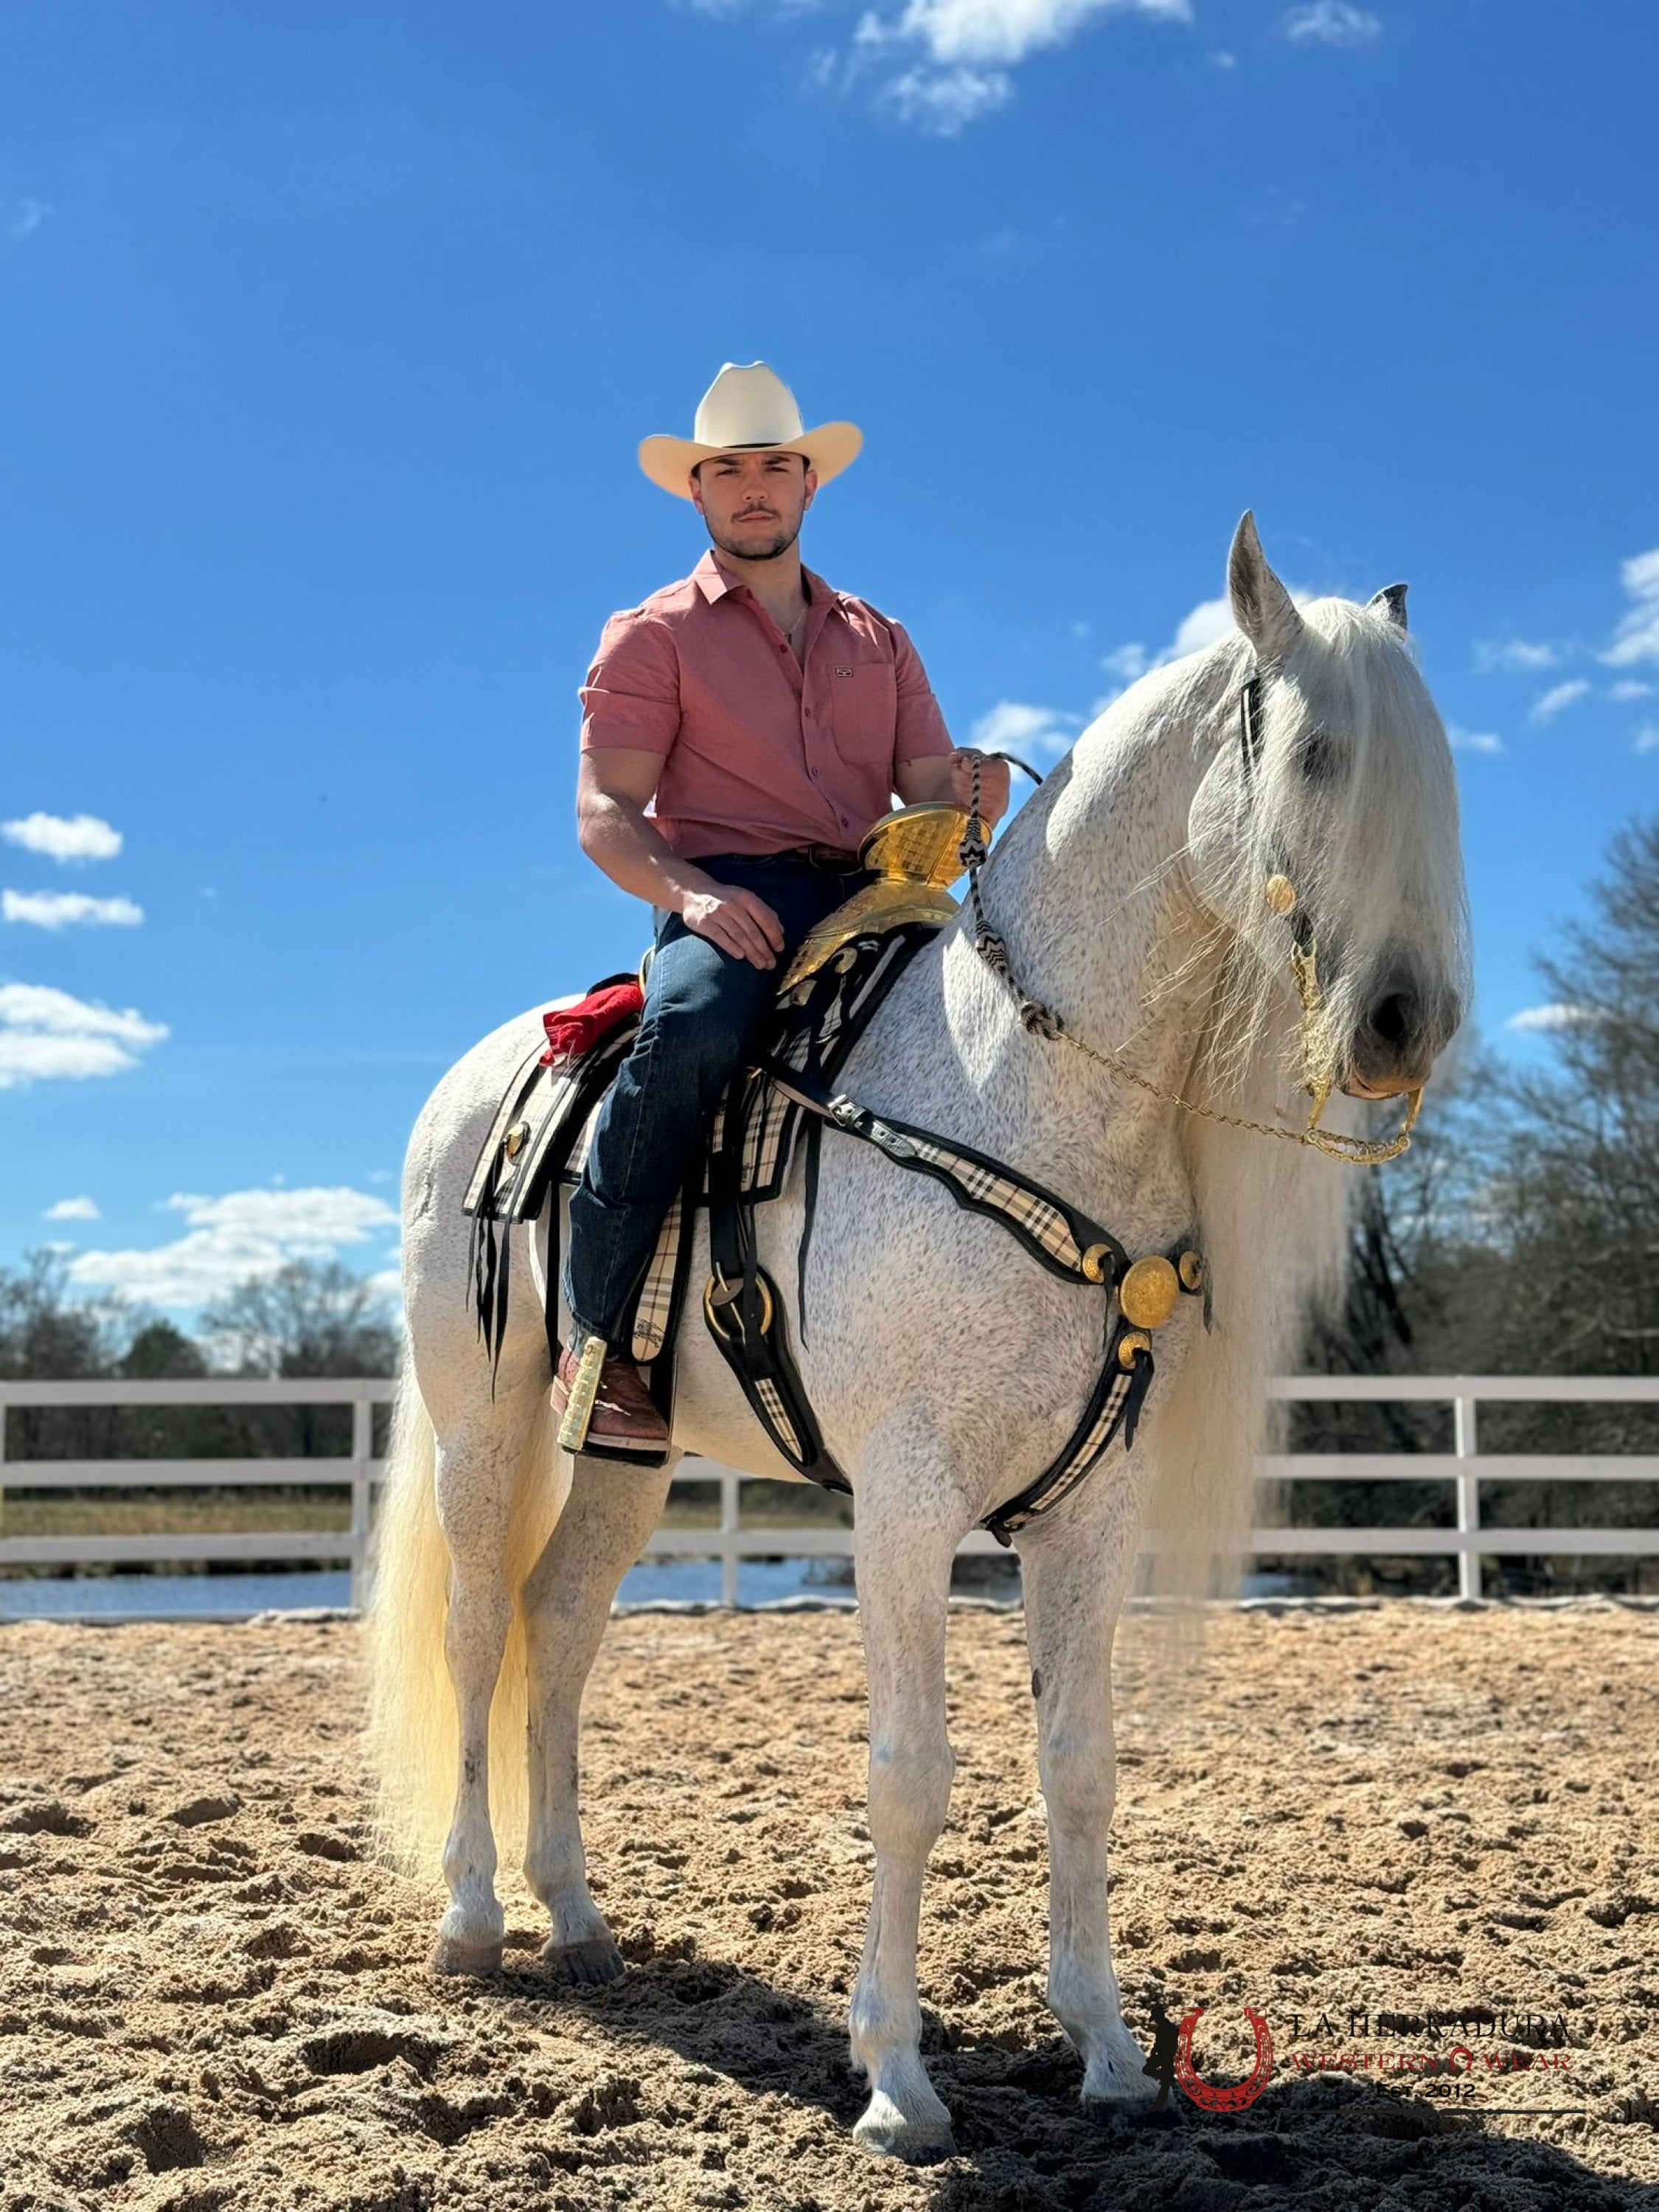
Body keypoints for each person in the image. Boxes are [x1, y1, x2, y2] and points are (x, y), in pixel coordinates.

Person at [554, 361, 1011, 1452]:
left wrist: (972, 784)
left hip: (870, 891)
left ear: (810, 485)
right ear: (696, 493)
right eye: (727, 472)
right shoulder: (652, 634)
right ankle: (600, 1343)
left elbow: (923, 784)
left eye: (774, 467)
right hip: (730, 896)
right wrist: (694, 898)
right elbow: (606, 811)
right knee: (694, 1030)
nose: (752, 488)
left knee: (1009, 1017)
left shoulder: (879, 639)